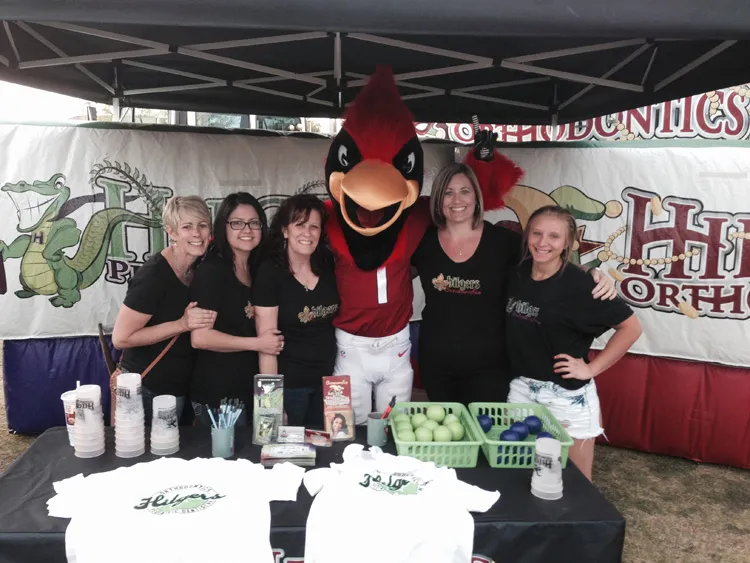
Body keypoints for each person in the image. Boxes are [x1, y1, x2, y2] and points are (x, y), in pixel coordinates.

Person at [412, 163, 617, 405]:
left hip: (491, 366)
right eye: (448, 192)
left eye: (465, 191)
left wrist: (590, 272)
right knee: (447, 436)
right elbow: (394, 274)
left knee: (489, 438)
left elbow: (547, 259)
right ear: (438, 200)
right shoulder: (421, 242)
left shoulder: (504, 242)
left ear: (477, 197)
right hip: (437, 363)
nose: (457, 199)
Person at [505, 205, 642, 481]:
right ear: (527, 235)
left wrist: (591, 369)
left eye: (554, 237)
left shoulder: (583, 284)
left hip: (567, 396)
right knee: (525, 474)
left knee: (577, 481)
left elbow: (631, 328)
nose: (543, 243)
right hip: (521, 388)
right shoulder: (516, 275)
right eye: (537, 233)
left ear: (569, 242)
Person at [112, 196, 216, 423]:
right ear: (172, 232)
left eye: (202, 225)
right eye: (187, 227)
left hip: (179, 387)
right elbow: (121, 338)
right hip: (147, 387)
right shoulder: (153, 275)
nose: (197, 234)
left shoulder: (198, 267)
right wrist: (182, 324)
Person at [189, 192, 284, 426]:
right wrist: (257, 343)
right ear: (224, 227)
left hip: (248, 388)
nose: (247, 230)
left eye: (254, 223)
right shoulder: (213, 270)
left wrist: (271, 404)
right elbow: (200, 337)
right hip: (218, 396)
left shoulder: (256, 267)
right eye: (237, 223)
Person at [254, 194, 339, 427]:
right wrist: (271, 404)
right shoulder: (270, 273)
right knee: (288, 459)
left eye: (314, 226)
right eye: (300, 224)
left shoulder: (327, 265)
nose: (307, 232)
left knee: (326, 457)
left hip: (329, 384)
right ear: (285, 231)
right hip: (290, 388)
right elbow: (266, 344)